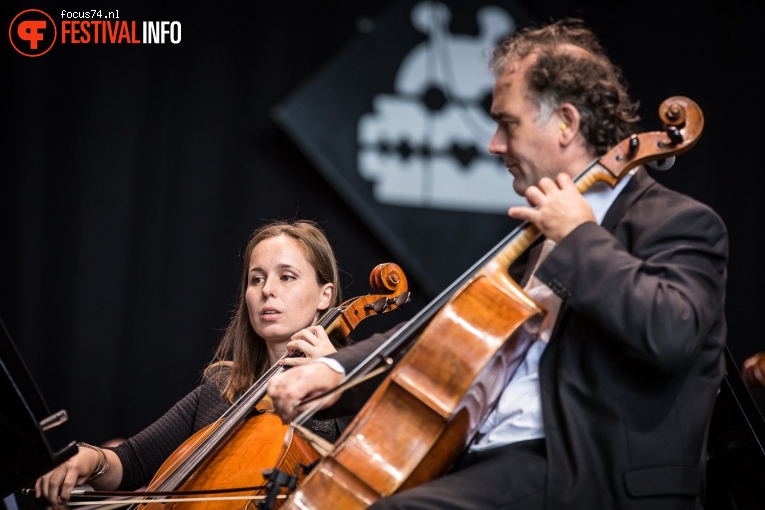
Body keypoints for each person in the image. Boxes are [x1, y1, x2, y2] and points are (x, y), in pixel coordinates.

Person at [267, 18, 728, 510]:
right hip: (489, 465)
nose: (493, 145)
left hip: (585, 478)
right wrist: (336, 369)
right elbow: (441, 338)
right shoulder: (537, 242)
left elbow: (669, 334)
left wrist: (578, 237)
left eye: (507, 123)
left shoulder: (681, 223)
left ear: (567, 124)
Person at [34, 219, 353, 508]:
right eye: (256, 280)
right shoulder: (222, 389)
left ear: (325, 296)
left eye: (287, 277)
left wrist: (339, 376)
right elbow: (132, 462)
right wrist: (90, 459)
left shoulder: (356, 393)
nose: (267, 290)